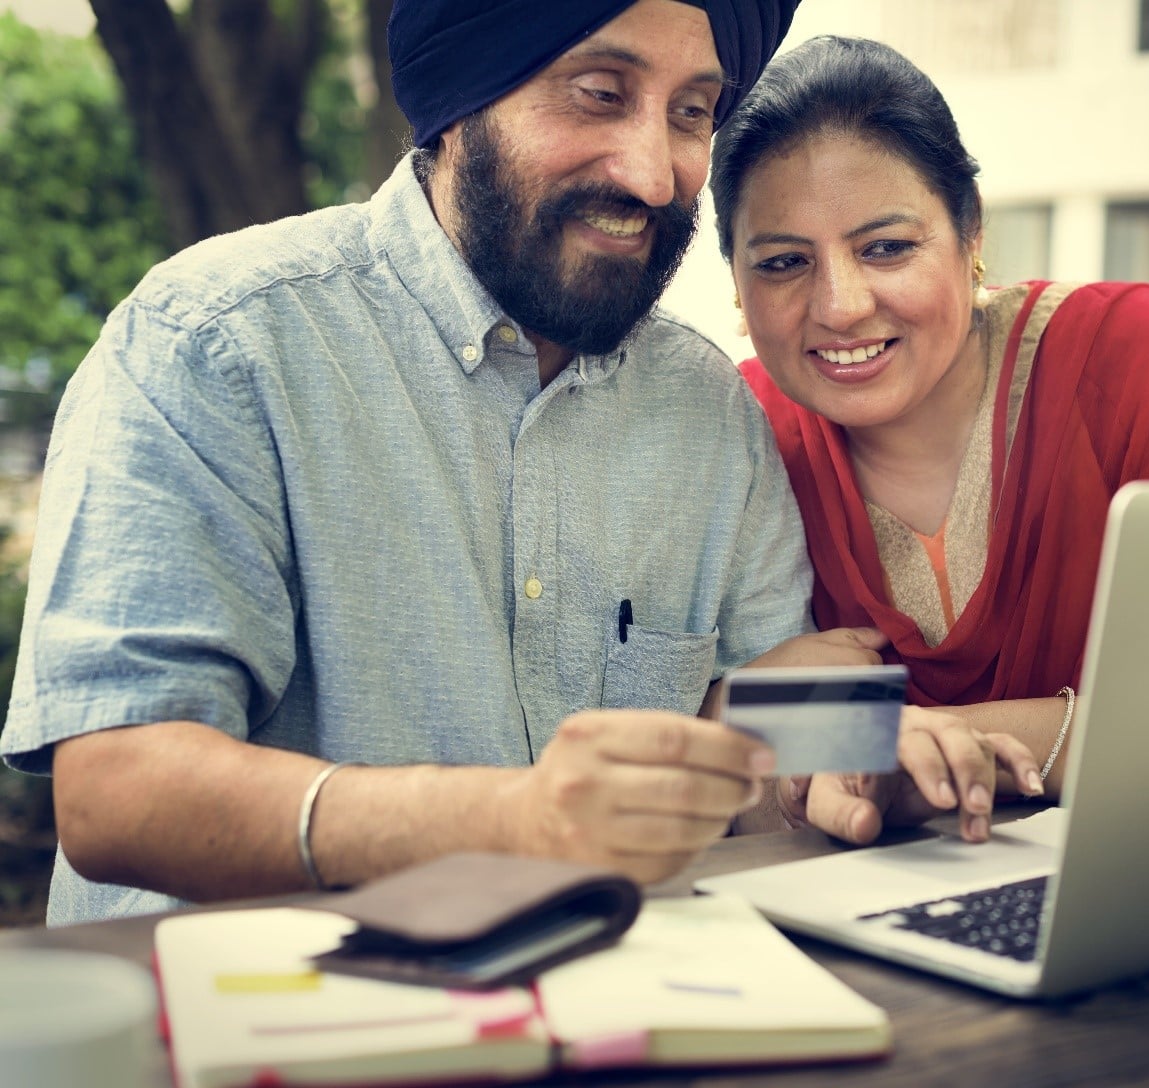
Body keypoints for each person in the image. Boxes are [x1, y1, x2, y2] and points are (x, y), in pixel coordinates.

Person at [1, 3, 1032, 928]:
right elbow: (116, 787)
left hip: (621, 1012)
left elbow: (753, 737)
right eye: (599, 94)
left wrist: (856, 756)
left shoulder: (709, 406)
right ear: (456, 103)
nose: (653, 170)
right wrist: (512, 819)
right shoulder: (216, 341)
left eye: (689, 112)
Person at [710, 36, 1149, 823]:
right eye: (784, 262)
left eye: (886, 248)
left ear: (971, 234)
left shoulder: (1133, 361)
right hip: (857, 912)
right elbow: (685, 721)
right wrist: (759, 720)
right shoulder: (734, 436)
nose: (841, 304)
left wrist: (908, 744)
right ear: (736, 280)